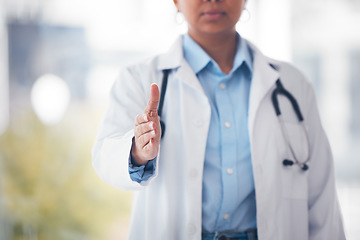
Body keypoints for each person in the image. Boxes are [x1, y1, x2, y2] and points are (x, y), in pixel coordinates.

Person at [91, 0, 346, 239]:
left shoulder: (293, 84)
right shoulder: (138, 78)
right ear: (176, 1)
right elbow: (106, 157)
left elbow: (322, 200)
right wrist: (138, 150)